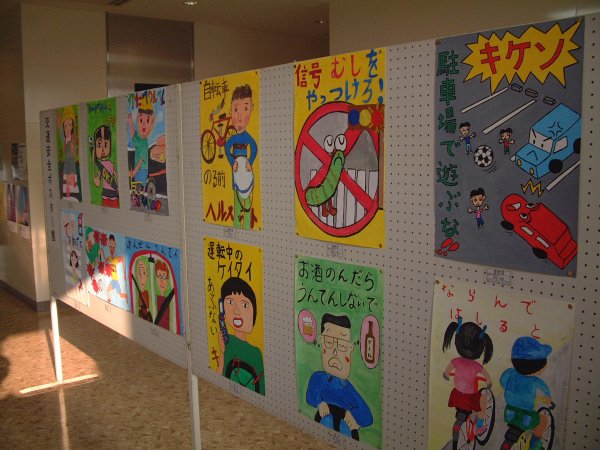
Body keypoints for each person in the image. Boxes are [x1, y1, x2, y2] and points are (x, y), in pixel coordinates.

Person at [306, 313, 373, 439]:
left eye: (342, 345)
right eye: (329, 342)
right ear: (322, 342)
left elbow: (367, 416)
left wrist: (355, 416)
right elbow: (310, 395)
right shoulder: (318, 378)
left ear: (350, 349)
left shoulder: (349, 390)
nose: (335, 352)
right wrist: (319, 402)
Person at [442, 318, 494, 435]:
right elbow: (486, 375)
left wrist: (446, 375)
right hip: (470, 398)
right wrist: (489, 382)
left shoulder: (456, 361)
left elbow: (446, 372)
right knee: (483, 400)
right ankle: (479, 427)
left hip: (457, 396)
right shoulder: (476, 366)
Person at [500, 337, 553, 450]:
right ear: (538, 367)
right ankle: (535, 444)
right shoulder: (535, 381)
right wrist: (548, 398)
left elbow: (503, 382)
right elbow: (545, 390)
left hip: (509, 413)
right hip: (526, 417)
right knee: (543, 420)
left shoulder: (509, 372)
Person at [217, 277, 265, 395]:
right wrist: (222, 352)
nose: (237, 311)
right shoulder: (226, 340)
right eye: (230, 302)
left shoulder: (256, 353)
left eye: (244, 304)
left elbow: (261, 387)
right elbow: (219, 374)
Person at [224, 85, 258, 229]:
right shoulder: (232, 139)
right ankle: (238, 225)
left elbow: (254, 147)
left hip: (246, 171)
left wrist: (250, 161)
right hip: (237, 172)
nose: (239, 116)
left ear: (251, 109)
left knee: (248, 201)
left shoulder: (247, 137)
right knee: (237, 200)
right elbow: (227, 148)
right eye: (236, 110)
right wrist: (232, 162)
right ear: (230, 111)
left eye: (245, 109)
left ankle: (247, 226)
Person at [92, 125, 119, 207]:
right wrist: (93, 161)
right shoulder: (100, 166)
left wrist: (118, 188)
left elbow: (116, 177)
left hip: (113, 195)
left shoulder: (111, 164)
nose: (103, 149)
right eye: (99, 144)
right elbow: (97, 183)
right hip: (105, 195)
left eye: (106, 144)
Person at [61, 107, 79, 199]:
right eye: (65, 126)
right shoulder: (65, 140)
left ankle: (72, 195)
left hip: (71, 164)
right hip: (66, 165)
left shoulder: (72, 139)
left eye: (70, 125)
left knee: (72, 185)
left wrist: (71, 143)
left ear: (72, 126)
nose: (68, 128)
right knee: (66, 185)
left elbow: (73, 154)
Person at [104, 235, 127, 306]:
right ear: (108, 245)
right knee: (107, 290)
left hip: (117, 280)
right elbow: (106, 260)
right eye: (110, 247)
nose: (112, 249)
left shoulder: (116, 259)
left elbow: (123, 258)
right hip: (113, 280)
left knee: (120, 295)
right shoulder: (110, 258)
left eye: (113, 247)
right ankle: (109, 299)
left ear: (115, 245)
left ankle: (128, 297)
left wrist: (124, 273)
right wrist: (102, 252)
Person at [155, 260, 172, 330]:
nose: (161, 280)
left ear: (167, 281)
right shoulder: (156, 299)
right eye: (159, 276)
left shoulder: (168, 299)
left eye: (164, 277)